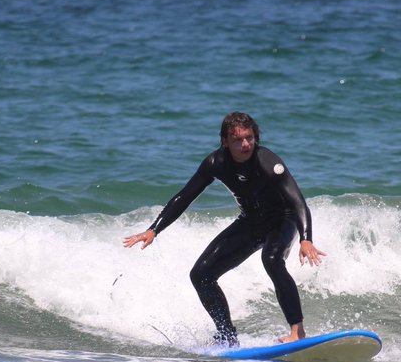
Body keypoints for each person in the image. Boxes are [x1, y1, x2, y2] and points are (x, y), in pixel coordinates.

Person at [124, 111, 325, 346]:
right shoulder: (215, 163)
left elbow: (297, 202)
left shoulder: (268, 162)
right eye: (238, 139)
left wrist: (306, 238)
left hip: (283, 219)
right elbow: (184, 197)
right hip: (251, 221)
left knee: (271, 260)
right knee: (201, 275)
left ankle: (297, 332)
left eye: (249, 137)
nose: (246, 144)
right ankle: (227, 336)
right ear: (225, 141)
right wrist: (154, 229)